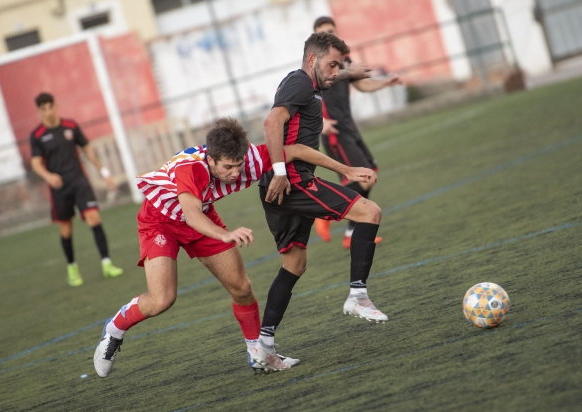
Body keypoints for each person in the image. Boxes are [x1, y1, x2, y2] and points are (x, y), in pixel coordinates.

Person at [93, 117, 377, 376]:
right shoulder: (191, 168)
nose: (234, 172)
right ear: (211, 159)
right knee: (162, 300)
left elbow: (296, 150)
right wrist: (224, 235)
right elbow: (190, 214)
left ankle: (258, 355)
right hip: (160, 221)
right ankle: (115, 328)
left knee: (241, 288)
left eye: (238, 165)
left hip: (203, 216)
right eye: (227, 167)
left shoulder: (249, 160)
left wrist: (346, 169)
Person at [252, 32, 390, 370]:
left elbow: (298, 140)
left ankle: (264, 349)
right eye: (332, 65)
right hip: (292, 180)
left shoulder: (307, 85)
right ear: (312, 60)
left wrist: (348, 72)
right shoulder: (300, 83)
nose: (335, 72)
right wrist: (283, 171)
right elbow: (271, 122)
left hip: (281, 183)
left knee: (295, 265)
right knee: (369, 211)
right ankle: (358, 295)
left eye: (339, 66)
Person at [313, 16, 402, 249]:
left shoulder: (344, 58)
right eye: (323, 32)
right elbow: (304, 97)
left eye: (331, 31)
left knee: (369, 173)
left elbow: (362, 85)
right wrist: (321, 122)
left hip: (349, 125)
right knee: (362, 178)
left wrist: (385, 82)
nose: (329, 35)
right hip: (333, 129)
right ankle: (324, 214)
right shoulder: (315, 63)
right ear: (315, 37)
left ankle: (351, 234)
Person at [30, 92, 123, 287]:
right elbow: (36, 163)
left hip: (79, 181)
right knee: (66, 229)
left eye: (50, 107)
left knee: (94, 218)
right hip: (59, 188)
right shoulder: (37, 136)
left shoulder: (71, 126)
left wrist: (105, 173)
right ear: (39, 111)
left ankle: (107, 264)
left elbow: (88, 149)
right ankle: (72, 268)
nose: (47, 112)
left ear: (56, 106)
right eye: (43, 109)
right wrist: (48, 176)